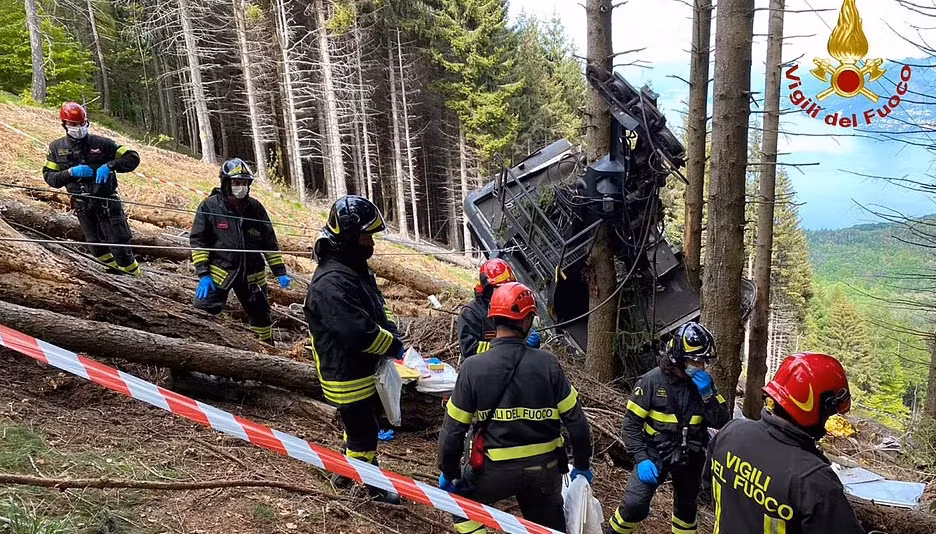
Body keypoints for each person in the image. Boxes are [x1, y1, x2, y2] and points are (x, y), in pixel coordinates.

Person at [437, 281, 593, 534]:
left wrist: (449, 471)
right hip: (544, 472)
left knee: (462, 508)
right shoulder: (548, 364)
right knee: (548, 528)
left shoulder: (473, 368)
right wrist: (583, 466)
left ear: (494, 318)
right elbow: (576, 422)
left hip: (492, 471)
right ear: (526, 321)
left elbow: (453, 430)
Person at [303, 195, 403, 504]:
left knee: (357, 427)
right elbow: (358, 333)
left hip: (357, 369)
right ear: (347, 237)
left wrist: (390, 328)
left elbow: (372, 307)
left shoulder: (351, 267)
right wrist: (393, 344)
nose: (370, 242)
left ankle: (344, 471)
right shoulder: (331, 282)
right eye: (365, 235)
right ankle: (372, 488)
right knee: (364, 434)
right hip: (346, 375)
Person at [705, 353, 864, 534]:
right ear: (816, 407)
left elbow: (708, 487)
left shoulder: (731, 432)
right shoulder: (813, 480)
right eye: (829, 413)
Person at [610, 321, 730, 534]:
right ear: (679, 357)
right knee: (634, 505)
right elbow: (630, 425)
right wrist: (642, 458)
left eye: (704, 361)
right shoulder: (651, 381)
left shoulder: (704, 385)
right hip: (654, 451)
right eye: (696, 360)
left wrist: (707, 395)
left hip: (690, 454)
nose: (701, 366)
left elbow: (721, 421)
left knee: (686, 510)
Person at [190, 158, 289, 345]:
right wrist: (203, 274)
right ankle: (203, 350)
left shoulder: (256, 208)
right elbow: (199, 242)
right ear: (226, 182)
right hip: (219, 272)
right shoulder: (209, 206)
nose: (241, 187)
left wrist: (280, 272)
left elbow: (270, 243)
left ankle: (268, 351)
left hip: (253, 276)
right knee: (202, 311)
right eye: (236, 182)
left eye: (244, 183)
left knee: (261, 316)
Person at [43, 101, 142, 275]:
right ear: (64, 125)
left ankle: (136, 278)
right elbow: (50, 178)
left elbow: (132, 158)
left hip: (107, 203)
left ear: (87, 122)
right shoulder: (56, 148)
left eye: (82, 124)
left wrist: (110, 166)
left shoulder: (103, 144)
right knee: (97, 248)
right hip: (83, 205)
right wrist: (70, 173)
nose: (79, 128)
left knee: (119, 246)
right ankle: (115, 277)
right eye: (74, 125)